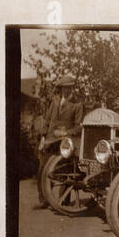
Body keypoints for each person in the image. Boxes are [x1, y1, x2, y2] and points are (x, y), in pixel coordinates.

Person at [35, 75, 83, 209]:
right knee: (43, 170)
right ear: (60, 89)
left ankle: (63, 200)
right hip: (50, 141)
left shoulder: (77, 104)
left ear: (72, 88)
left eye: (69, 88)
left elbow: (78, 127)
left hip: (65, 144)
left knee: (65, 172)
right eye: (64, 88)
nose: (67, 91)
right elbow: (47, 120)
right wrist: (43, 138)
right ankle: (43, 200)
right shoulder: (54, 101)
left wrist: (65, 133)